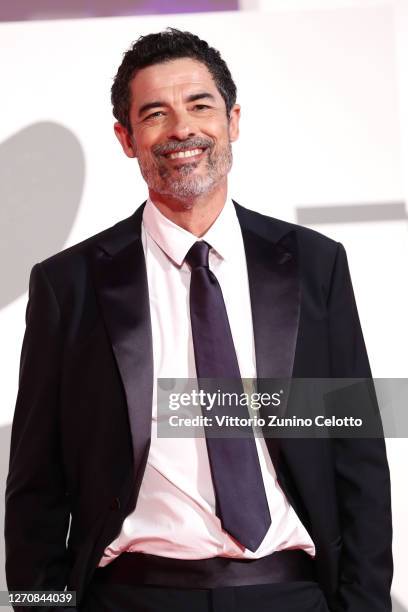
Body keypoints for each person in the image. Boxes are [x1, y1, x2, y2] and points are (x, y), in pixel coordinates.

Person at [5, 28, 392, 612]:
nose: (182, 128)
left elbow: (356, 458)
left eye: (200, 105)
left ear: (233, 120)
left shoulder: (313, 265)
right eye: (155, 113)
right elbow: (36, 490)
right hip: (131, 597)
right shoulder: (70, 285)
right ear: (126, 139)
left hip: (290, 593)